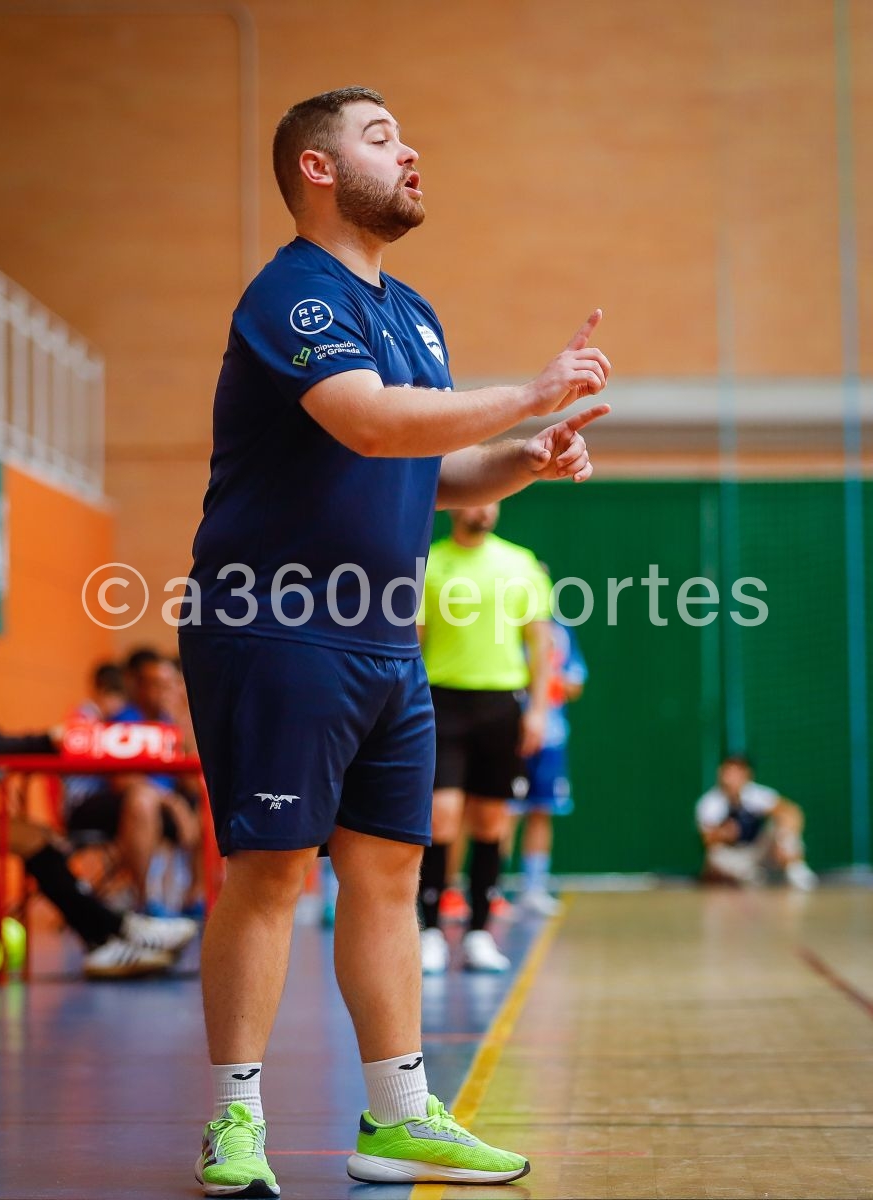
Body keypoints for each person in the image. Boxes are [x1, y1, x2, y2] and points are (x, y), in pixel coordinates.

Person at [179, 86, 610, 1193]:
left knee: (389, 873)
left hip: (383, 640)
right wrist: (525, 391)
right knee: (272, 870)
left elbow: (425, 467)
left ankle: (400, 1115)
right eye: (380, 137)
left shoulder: (414, 310)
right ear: (318, 170)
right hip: (277, 629)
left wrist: (525, 454)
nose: (409, 150)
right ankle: (234, 1124)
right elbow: (368, 420)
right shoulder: (293, 293)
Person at [0, 592, 198, 977]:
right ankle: (113, 932)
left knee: (39, 836)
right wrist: (46, 739)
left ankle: (112, 934)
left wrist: (52, 744)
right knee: (35, 838)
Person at [416, 503, 552, 974]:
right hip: (442, 702)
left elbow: (541, 644)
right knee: (441, 816)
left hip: (500, 705)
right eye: (477, 496)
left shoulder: (521, 563)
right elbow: (413, 640)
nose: (485, 507)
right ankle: (430, 929)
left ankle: (478, 933)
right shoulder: (428, 562)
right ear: (456, 504)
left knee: (492, 821)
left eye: (494, 499)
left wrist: (537, 711)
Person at [63, 649, 202, 912]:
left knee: (208, 802)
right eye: (157, 684)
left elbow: (193, 782)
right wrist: (172, 802)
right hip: (115, 806)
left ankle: (194, 897)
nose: (165, 691)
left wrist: (183, 726)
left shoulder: (170, 724)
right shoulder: (123, 719)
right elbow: (123, 781)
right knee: (142, 800)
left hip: (158, 808)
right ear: (138, 686)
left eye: (170, 684)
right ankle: (143, 902)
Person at [510, 615, 587, 916]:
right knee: (506, 813)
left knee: (542, 810)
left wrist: (547, 681)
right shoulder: (505, 626)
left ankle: (534, 888)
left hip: (552, 737)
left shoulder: (562, 630)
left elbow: (575, 683)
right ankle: (493, 892)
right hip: (511, 735)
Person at [696, 754, 818, 890]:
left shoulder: (756, 794)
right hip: (737, 856)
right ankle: (751, 876)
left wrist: (784, 838)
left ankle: (795, 870)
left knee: (781, 824)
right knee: (715, 856)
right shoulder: (709, 803)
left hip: (760, 850)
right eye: (728, 772)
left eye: (737, 773)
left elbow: (791, 812)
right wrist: (724, 833)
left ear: (746, 774)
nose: (731, 778)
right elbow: (707, 840)